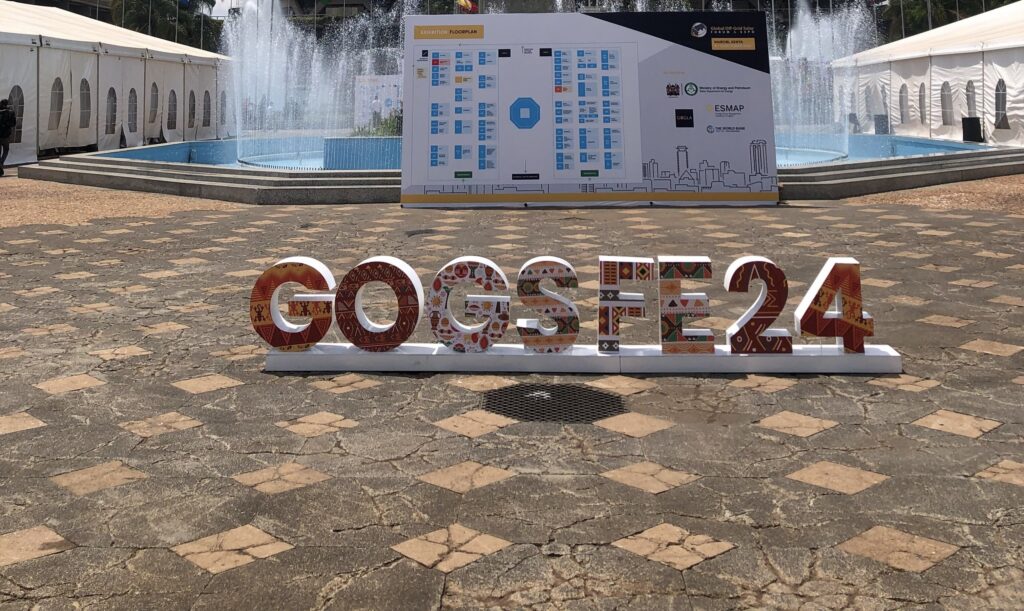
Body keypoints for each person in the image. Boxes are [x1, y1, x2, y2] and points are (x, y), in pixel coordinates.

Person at [0, 99, 16, 177]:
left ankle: (0, 166)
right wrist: (7, 125)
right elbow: (13, 124)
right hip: (5, 135)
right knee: (6, 150)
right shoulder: (11, 112)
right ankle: (1, 163)